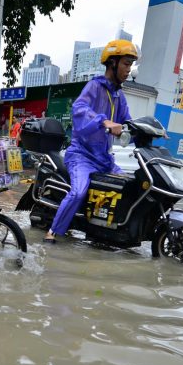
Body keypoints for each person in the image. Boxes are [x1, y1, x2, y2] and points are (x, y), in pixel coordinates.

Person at [44, 39, 137, 243]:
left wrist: (147, 130)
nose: (129, 70)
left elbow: (128, 122)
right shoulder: (94, 87)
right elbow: (79, 110)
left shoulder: (119, 97)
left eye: (131, 65)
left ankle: (110, 233)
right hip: (81, 156)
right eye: (126, 64)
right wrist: (104, 121)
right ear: (113, 63)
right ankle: (52, 232)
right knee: (78, 192)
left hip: (104, 159)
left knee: (131, 187)